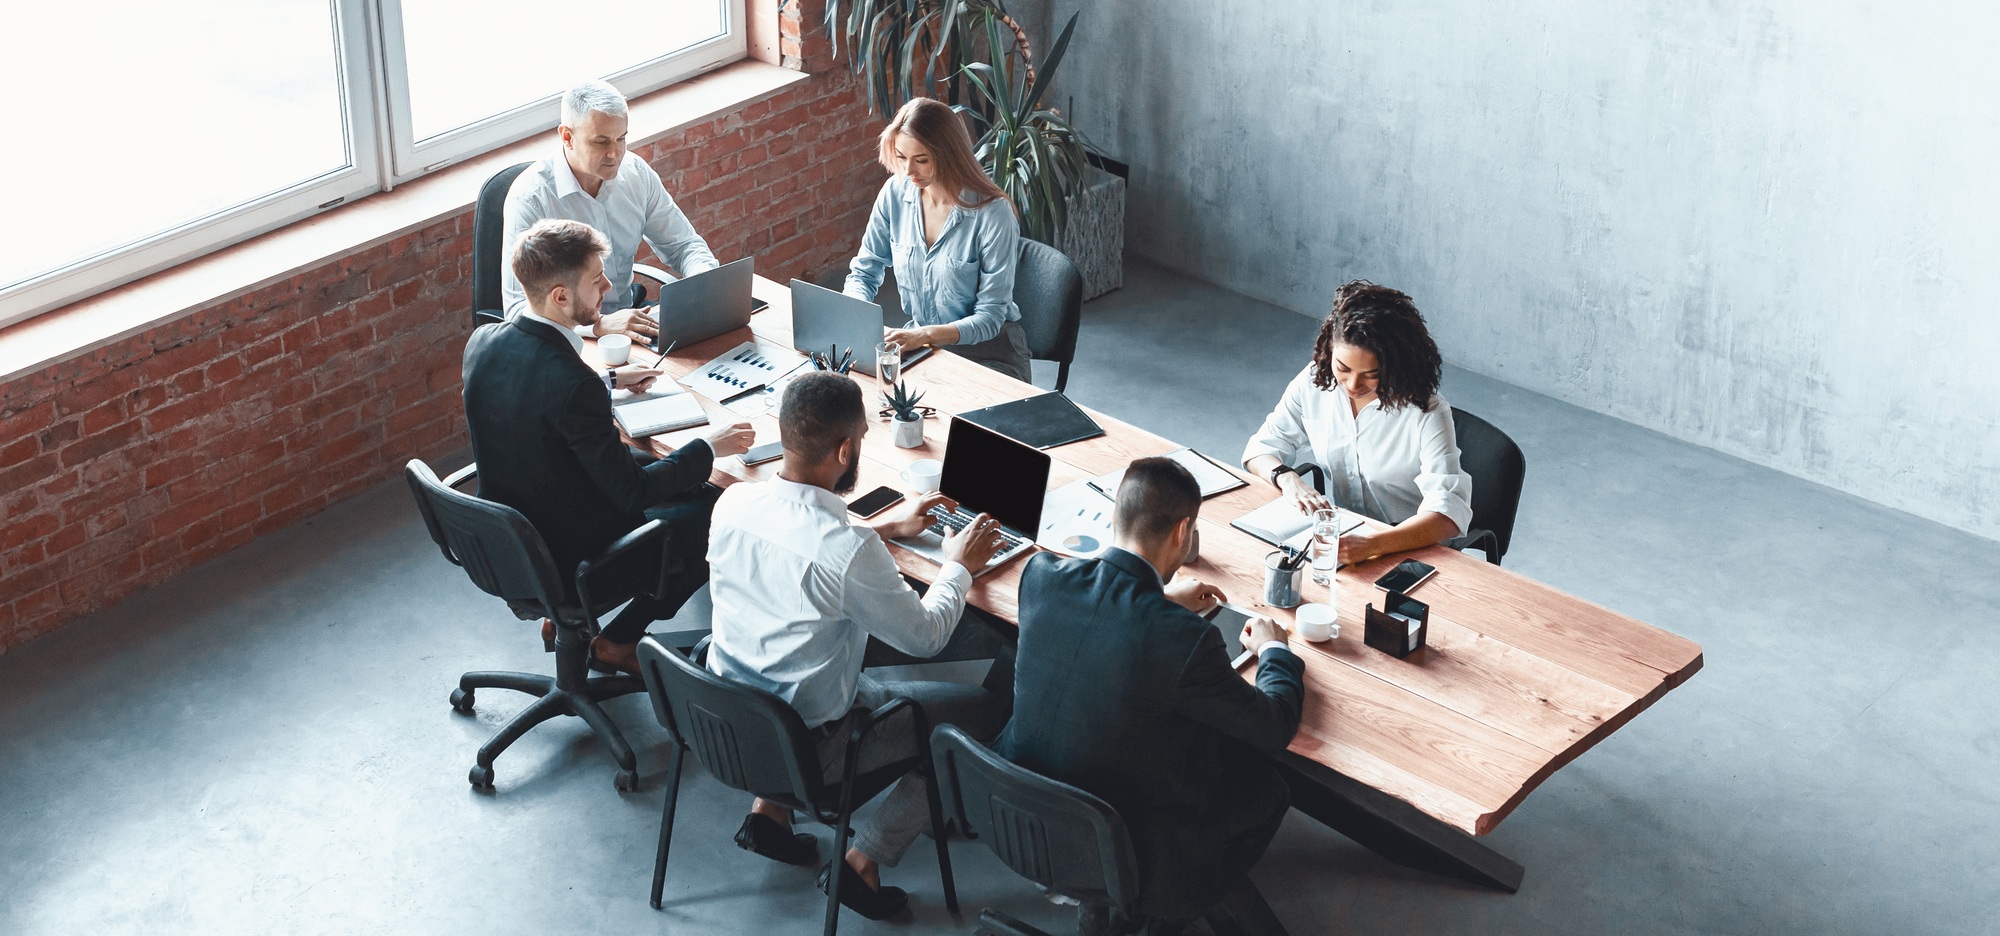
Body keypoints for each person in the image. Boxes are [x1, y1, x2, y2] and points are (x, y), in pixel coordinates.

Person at [705, 371, 1014, 920]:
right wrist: (958, 566)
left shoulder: (732, 503)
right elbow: (926, 636)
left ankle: (770, 815)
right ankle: (863, 861)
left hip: (731, 723)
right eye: (864, 438)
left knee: (821, 668)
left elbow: (808, 537)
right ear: (846, 449)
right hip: (812, 745)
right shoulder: (847, 551)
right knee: (979, 716)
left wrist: (882, 532)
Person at [996, 457, 1305, 932]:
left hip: (1021, 811)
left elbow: (1100, 629)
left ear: (1118, 514)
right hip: (1124, 841)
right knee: (1268, 787)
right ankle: (1166, 911)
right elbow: (1273, 725)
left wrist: (1155, 599)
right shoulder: (1185, 639)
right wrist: (1273, 650)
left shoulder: (1040, 575)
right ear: (1184, 531)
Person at [463, 219, 754, 675]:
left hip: (515, 540)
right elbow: (633, 493)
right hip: (569, 560)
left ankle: (559, 623)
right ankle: (619, 640)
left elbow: (531, 397)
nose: (609, 285)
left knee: (672, 475)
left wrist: (608, 381)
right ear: (560, 296)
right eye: (596, 279)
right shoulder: (572, 386)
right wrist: (707, 447)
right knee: (714, 507)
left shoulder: (484, 342)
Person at [1242, 280, 1474, 565]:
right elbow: (1260, 449)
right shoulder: (1315, 381)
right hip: (1349, 537)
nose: (1353, 384)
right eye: (1343, 368)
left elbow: (1448, 514)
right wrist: (1287, 478)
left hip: (1410, 546)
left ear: (1395, 365)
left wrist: (1375, 544)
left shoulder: (1427, 411)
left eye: (1371, 374)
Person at [500, 79, 720, 342]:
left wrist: (703, 282)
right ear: (567, 137)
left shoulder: (635, 174)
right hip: (568, 340)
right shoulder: (531, 198)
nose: (615, 154)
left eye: (621, 138)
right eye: (601, 142)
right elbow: (516, 313)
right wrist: (598, 326)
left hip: (632, 326)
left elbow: (685, 245)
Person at [844, 97, 1031, 381]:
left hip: (989, 356)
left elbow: (991, 317)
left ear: (949, 156)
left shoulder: (993, 214)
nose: (908, 171)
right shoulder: (895, 194)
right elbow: (862, 274)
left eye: (922, 160)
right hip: (926, 350)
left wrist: (924, 335)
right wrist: (862, 319)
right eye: (902, 157)